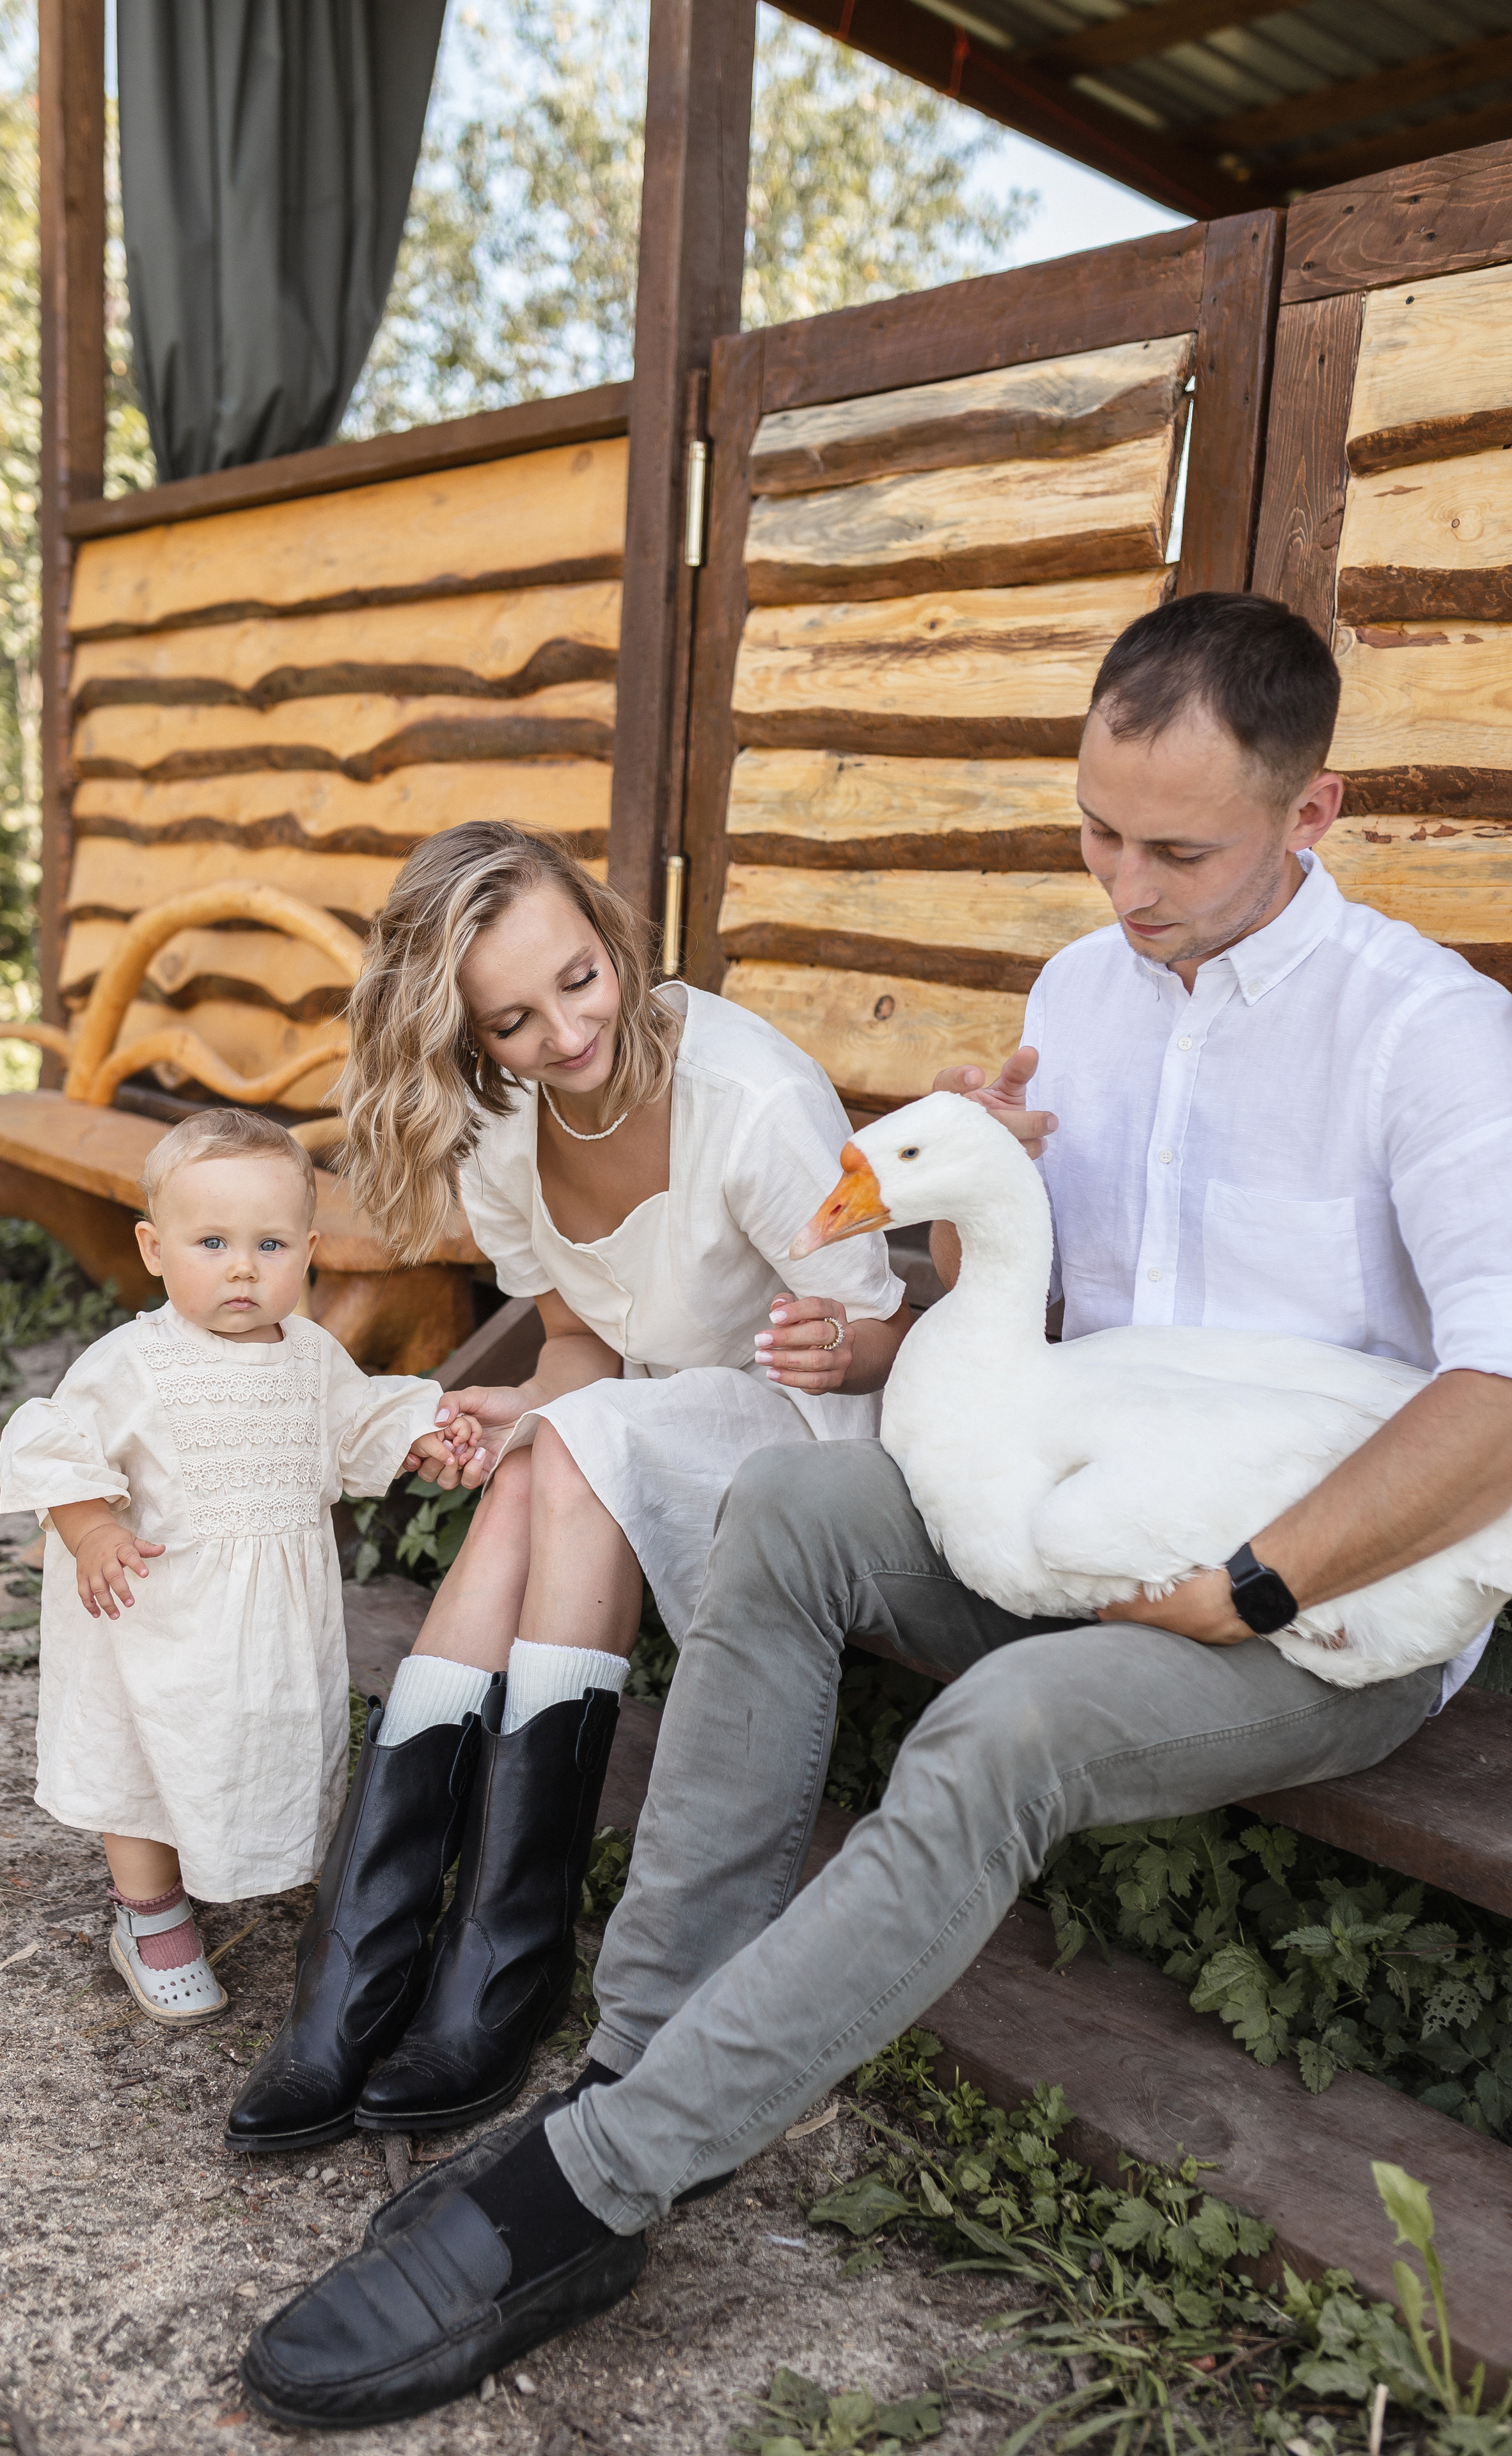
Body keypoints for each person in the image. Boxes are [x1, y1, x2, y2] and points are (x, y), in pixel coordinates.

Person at [240, 591, 1512, 2428]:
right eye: (1095, 830)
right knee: (781, 1515)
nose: (1124, 883)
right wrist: (948, 1230)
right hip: (1072, 1506)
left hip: (1319, 1601)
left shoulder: (1432, 1036)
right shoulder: (1083, 992)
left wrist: (1252, 1580)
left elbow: (1500, 1396)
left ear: (1314, 815)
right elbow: (1007, 1303)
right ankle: (639, 2061)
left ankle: (588, 2190)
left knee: (1006, 1727)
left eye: (1179, 849)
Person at [224, 823, 911, 2152]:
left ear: (609, 935)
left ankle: (458, 1955)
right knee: (554, 1454)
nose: (568, 1031)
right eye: (515, 1020)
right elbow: (583, 1341)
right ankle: (402, 1956)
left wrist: (825, 1347)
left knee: (582, 1450)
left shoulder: (750, 1100)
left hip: (809, 1435)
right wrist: (535, 1401)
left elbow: (874, 1332)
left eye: (581, 979)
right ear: (469, 1038)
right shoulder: (502, 1130)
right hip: (643, 1420)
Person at [0, 1108, 475, 2029]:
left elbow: (356, 1423)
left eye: (270, 1242)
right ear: (154, 1247)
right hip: (156, 1614)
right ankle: (150, 1912)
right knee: (143, 1757)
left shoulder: (313, 1357)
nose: (244, 1267)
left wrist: (418, 1430)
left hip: (266, 1626)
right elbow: (56, 1446)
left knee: (255, 1741)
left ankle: (245, 1853)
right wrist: (94, 1529)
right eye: (211, 1242)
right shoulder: (131, 1362)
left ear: (310, 1249)